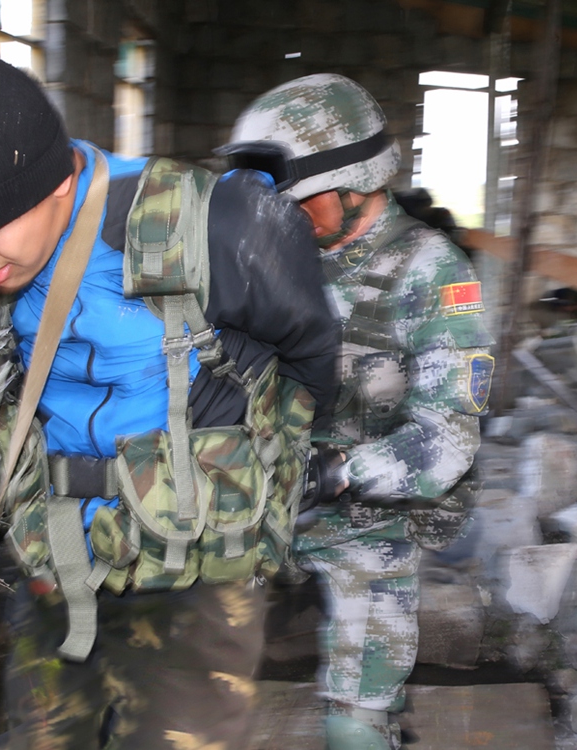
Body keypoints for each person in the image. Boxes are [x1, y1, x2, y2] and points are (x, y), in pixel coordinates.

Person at [0, 47, 339, 749]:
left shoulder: (214, 226)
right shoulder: (16, 249)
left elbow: (311, 361)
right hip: (61, 554)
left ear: (58, 183)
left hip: (192, 578)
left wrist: (255, 477)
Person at [221, 74, 494, 750]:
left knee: (354, 727)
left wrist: (337, 472)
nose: (276, 213)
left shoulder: (432, 272)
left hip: (371, 518)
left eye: (294, 198)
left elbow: (446, 439)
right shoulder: (268, 254)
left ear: (354, 185)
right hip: (255, 501)